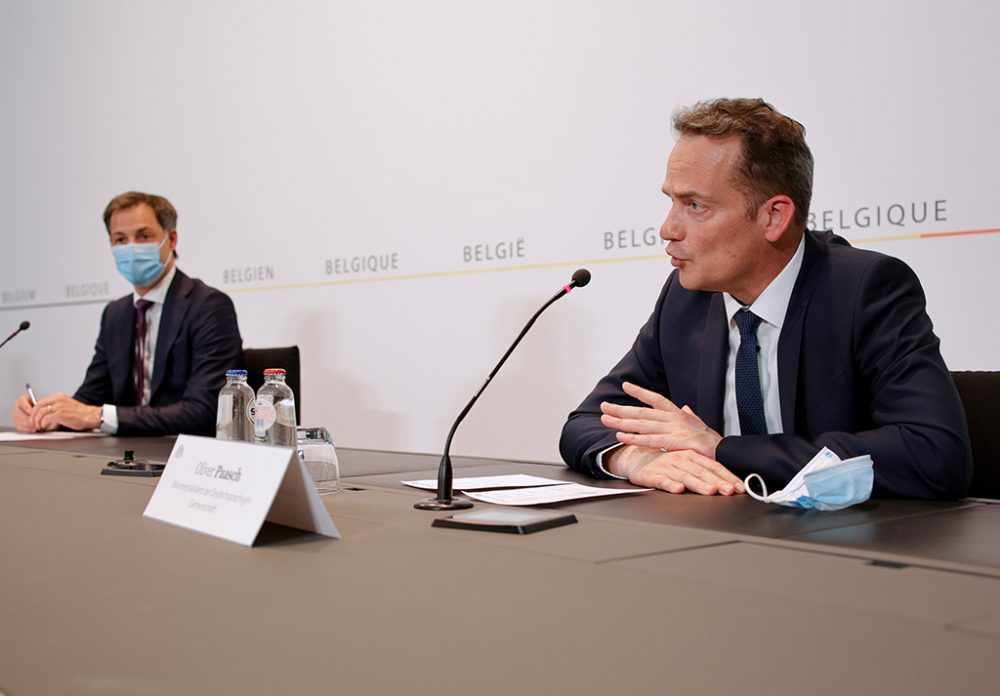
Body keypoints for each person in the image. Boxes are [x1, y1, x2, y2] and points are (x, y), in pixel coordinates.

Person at [560, 98, 972, 500]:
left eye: (695, 206)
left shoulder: (865, 289)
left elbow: (933, 454)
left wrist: (720, 449)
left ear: (774, 216)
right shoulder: (686, 300)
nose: (667, 229)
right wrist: (633, 458)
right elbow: (585, 423)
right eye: (671, 201)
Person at [12, 191, 244, 436]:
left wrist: (99, 416)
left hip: (183, 456)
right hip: (125, 456)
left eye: (143, 236)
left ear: (172, 239)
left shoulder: (208, 306)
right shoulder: (115, 313)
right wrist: (49, 415)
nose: (131, 248)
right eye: (120, 239)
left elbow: (206, 411)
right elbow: (90, 399)